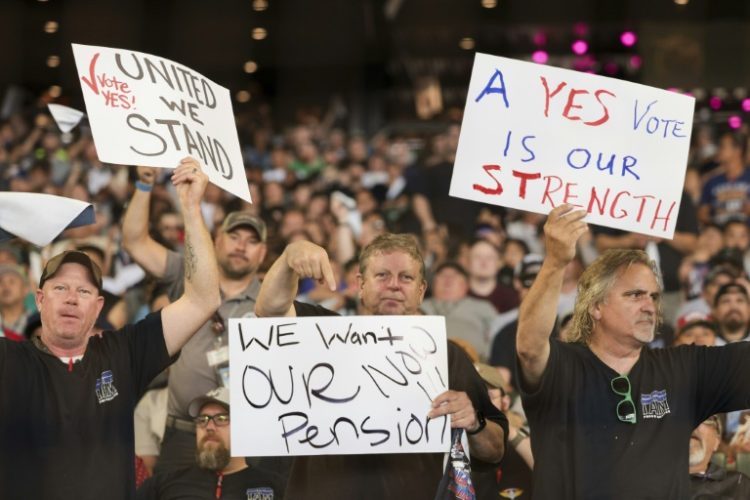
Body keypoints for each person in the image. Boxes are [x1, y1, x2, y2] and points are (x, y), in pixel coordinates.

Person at [0, 157, 221, 500]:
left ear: (98, 306)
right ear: (40, 299)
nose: (72, 298)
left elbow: (204, 299)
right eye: (60, 288)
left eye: (85, 290)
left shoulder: (124, 353)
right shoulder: (9, 359)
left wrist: (192, 208)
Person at [516, 203, 750, 499]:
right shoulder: (563, 366)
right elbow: (529, 348)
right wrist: (555, 263)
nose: (649, 306)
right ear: (596, 306)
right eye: (635, 295)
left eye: (653, 296)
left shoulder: (687, 369)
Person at [254, 234, 507, 500]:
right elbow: (269, 310)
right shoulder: (322, 332)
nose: (394, 286)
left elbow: (495, 450)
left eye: (406, 278)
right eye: (382, 275)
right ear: (361, 285)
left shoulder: (448, 355)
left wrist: (474, 423)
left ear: (421, 291)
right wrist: (288, 258)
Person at [122, 166, 268, 473]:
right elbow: (135, 242)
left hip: (248, 434)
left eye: (251, 241)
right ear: (215, 240)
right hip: (183, 432)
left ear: (263, 253)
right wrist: (145, 185)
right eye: (234, 236)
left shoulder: (271, 300)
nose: (241, 245)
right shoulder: (185, 270)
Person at [136, 387, 285, 500]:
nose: (209, 427)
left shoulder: (275, 486)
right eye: (203, 420)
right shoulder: (163, 484)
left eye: (221, 419)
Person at [421, 261, 498, 361]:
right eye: (443, 275)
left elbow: (497, 338)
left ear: (466, 284)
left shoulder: (483, 307)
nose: (448, 280)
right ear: (433, 283)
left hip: (476, 364)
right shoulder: (419, 306)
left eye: (454, 276)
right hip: (425, 362)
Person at [689, 415, 750, 499]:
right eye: (677, 421)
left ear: (716, 442)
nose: (688, 425)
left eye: (704, 419)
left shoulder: (740, 484)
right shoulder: (665, 482)